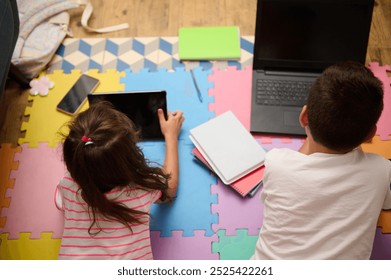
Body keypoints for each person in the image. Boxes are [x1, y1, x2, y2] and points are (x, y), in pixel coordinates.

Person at [252, 61, 391, 259]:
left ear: (304, 116)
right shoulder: (381, 170)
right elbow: (386, 204)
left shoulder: (277, 163)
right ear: (371, 135)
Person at [55, 101, 184, 259]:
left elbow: (61, 204)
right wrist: (171, 136)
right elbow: (170, 188)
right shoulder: (141, 189)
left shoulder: (67, 185)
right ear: (129, 158)